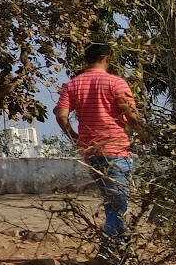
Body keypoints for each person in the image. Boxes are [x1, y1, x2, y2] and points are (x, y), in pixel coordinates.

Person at [54, 42, 144, 247]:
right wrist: (144, 133)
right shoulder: (116, 83)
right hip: (116, 148)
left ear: (86, 60)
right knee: (118, 202)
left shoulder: (73, 85)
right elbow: (130, 114)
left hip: (91, 150)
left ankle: (118, 246)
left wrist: (74, 137)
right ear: (107, 59)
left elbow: (61, 115)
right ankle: (111, 247)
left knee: (111, 201)